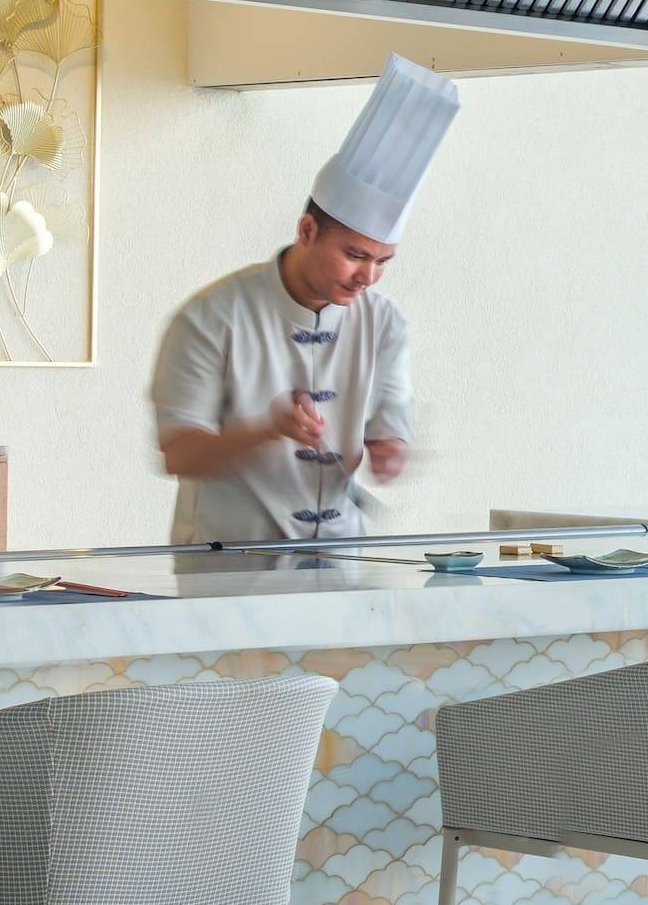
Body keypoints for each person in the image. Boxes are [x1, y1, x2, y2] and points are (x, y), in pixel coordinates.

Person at [152, 57, 458, 545]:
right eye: (355, 255)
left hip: (343, 561)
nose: (368, 277)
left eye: (384, 261)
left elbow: (388, 432)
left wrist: (391, 452)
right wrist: (267, 429)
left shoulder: (385, 325)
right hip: (230, 569)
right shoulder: (211, 318)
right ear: (307, 230)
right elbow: (178, 455)